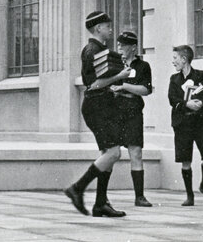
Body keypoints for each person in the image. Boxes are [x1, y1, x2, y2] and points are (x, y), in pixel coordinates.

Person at [63, 12, 130, 217]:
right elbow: (92, 84)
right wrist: (119, 76)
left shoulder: (100, 49)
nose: (111, 29)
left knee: (108, 155)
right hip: (97, 105)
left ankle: (101, 203)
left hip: (103, 104)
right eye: (107, 26)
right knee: (113, 153)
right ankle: (78, 188)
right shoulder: (92, 50)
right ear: (98, 28)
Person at [168, 44, 203, 206]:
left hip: (199, 122)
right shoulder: (174, 79)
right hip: (182, 124)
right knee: (185, 160)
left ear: (184, 59)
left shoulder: (200, 75)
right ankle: (189, 195)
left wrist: (201, 103)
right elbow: (172, 99)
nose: (173, 61)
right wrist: (186, 104)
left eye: (175, 58)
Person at [111, 30, 152, 207]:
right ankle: (102, 194)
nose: (119, 48)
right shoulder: (113, 64)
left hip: (133, 112)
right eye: (118, 45)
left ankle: (139, 196)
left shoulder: (143, 66)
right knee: (110, 153)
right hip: (115, 112)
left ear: (133, 47)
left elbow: (146, 90)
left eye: (123, 45)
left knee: (136, 152)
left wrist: (124, 86)